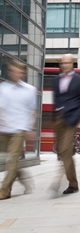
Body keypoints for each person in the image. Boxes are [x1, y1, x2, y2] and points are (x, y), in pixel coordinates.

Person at [51, 54, 80, 195]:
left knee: (66, 150)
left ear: (72, 63)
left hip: (71, 118)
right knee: (61, 151)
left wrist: (77, 117)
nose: (65, 65)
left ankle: (72, 184)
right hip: (59, 119)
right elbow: (56, 100)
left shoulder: (79, 80)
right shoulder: (56, 80)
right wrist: (54, 118)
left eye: (68, 62)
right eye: (63, 63)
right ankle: (71, 181)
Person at [0, 59, 37, 200]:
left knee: (12, 159)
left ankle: (5, 190)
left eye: (19, 72)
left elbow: (33, 111)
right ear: (10, 72)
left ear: (23, 73)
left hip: (20, 129)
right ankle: (25, 179)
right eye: (13, 71)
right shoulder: (3, 88)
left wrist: (31, 129)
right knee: (12, 161)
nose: (16, 74)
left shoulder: (30, 90)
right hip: (4, 129)